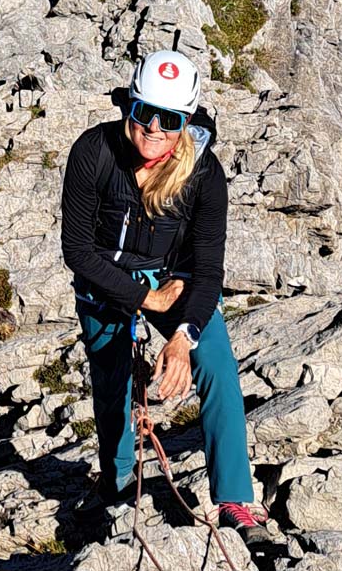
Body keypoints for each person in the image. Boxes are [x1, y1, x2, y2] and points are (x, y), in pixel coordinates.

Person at [59, 49, 268, 544]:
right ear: (129, 106)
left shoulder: (204, 174)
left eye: (170, 119)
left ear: (186, 121)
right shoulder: (93, 152)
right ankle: (118, 483)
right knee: (111, 382)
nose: (153, 127)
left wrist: (183, 337)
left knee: (215, 364)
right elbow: (78, 251)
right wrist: (143, 299)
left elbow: (209, 270)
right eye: (144, 112)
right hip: (106, 280)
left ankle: (235, 499)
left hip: (175, 282)